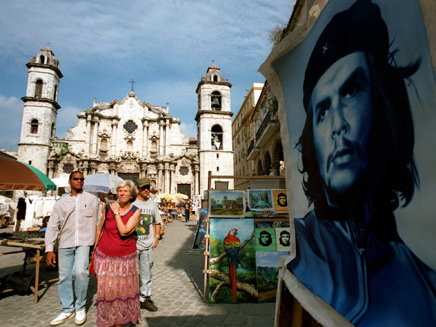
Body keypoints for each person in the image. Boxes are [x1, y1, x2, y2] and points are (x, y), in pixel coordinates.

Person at [289, 1, 436, 325]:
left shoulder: (428, 286)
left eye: (352, 90)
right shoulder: (295, 251)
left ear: (384, 104)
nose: (337, 124)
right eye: (322, 111)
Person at [45, 171, 102, 326]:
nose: (79, 181)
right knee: (64, 276)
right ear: (69, 182)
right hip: (65, 242)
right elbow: (52, 227)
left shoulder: (93, 200)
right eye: (76, 179)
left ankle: (80, 306)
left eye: (81, 179)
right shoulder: (60, 203)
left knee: (81, 273)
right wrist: (49, 248)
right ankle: (67, 308)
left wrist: (97, 245)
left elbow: (99, 223)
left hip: (84, 242)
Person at [94, 180, 141, 327]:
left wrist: (115, 213)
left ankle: (121, 319)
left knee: (123, 290)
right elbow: (99, 228)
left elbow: (124, 231)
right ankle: (109, 318)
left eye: (125, 191)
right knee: (107, 290)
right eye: (120, 191)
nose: (122, 193)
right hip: (104, 255)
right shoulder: (107, 207)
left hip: (126, 258)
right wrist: (94, 250)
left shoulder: (136, 211)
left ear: (131, 194)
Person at [133, 177, 162, 312]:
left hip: (147, 244)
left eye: (148, 187)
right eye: (143, 187)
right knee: (131, 272)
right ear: (137, 189)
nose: (146, 190)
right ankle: (131, 297)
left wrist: (156, 238)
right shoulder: (130, 203)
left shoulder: (152, 204)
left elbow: (157, 222)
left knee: (147, 271)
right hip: (131, 245)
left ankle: (145, 297)